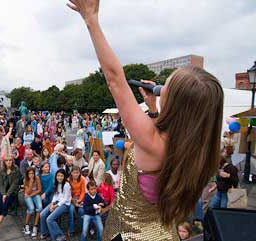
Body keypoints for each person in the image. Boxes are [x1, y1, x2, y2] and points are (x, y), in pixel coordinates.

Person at [67, 1, 223, 240]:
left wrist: (91, 19)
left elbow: (115, 80)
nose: (159, 90)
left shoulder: (150, 139)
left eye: (164, 88)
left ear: (175, 103)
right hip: (163, 232)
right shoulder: (201, 150)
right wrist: (153, 108)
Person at [40, 169, 71, 241]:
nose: (59, 177)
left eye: (61, 176)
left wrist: (55, 206)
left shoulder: (67, 185)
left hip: (65, 204)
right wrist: (52, 204)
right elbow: (55, 195)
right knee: (42, 214)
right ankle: (45, 232)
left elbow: (65, 199)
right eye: (58, 175)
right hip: (56, 202)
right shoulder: (56, 183)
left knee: (49, 219)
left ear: (64, 176)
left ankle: (60, 236)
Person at [23, 167, 42, 237]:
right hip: (27, 195)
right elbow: (27, 192)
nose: (31, 175)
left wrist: (31, 195)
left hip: (35, 194)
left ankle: (35, 225)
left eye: (32, 173)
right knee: (31, 209)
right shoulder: (25, 180)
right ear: (27, 174)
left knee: (39, 208)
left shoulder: (37, 178)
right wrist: (30, 183)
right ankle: (26, 225)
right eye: (29, 173)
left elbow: (39, 190)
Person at [68, 166, 86, 237]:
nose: (76, 174)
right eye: (74, 173)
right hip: (71, 199)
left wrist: (79, 200)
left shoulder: (82, 180)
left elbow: (83, 191)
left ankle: (82, 229)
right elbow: (67, 193)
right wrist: (74, 201)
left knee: (81, 211)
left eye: (77, 173)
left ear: (79, 173)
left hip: (79, 198)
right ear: (71, 173)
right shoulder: (68, 180)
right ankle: (71, 229)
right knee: (71, 209)